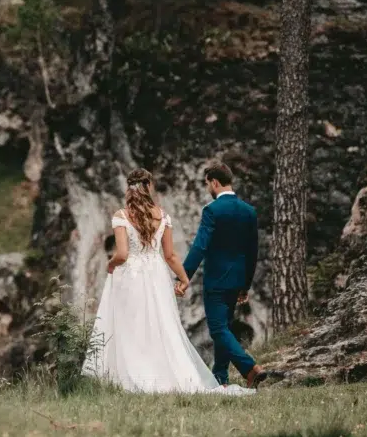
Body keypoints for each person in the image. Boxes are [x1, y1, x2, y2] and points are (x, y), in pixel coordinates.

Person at [82, 168, 255, 395]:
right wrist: (183, 279)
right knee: (160, 324)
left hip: (130, 276)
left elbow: (122, 254)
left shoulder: (121, 216)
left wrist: (111, 264)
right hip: (156, 276)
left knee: (129, 325)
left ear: (129, 189)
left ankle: (130, 374)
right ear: (149, 187)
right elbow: (170, 256)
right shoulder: (163, 216)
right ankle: (163, 372)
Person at [181, 160, 272, 389]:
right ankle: (221, 378)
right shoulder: (248, 211)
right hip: (236, 281)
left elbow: (200, 246)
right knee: (225, 327)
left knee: (218, 329)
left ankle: (249, 368)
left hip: (216, 281)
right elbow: (253, 252)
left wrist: (183, 276)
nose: (208, 189)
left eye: (207, 184)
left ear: (214, 182)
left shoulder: (212, 210)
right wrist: (245, 286)